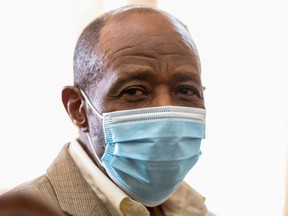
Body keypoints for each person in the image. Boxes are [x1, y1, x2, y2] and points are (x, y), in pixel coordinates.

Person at [1, 5, 214, 216]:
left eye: (186, 90)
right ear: (78, 108)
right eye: (134, 91)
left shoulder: (195, 210)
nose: (166, 110)